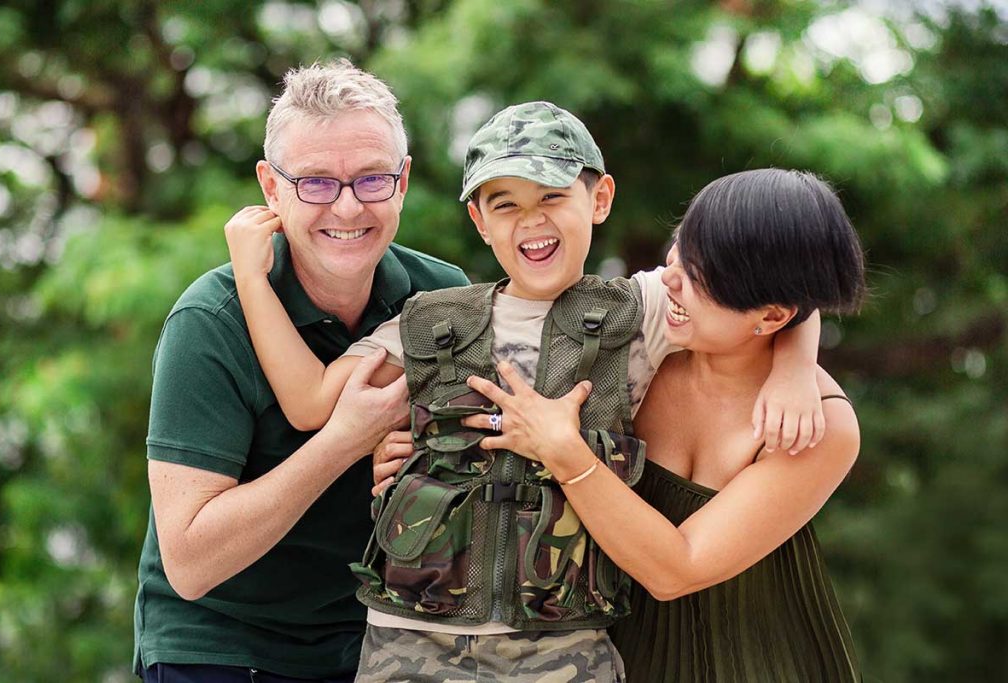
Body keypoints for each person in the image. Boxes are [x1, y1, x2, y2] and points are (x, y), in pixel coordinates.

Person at [225, 102, 827, 682]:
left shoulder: (642, 310)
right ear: (480, 222)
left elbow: (768, 282)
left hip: (562, 645)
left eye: (552, 197)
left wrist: (795, 364)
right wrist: (252, 279)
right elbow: (309, 403)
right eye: (505, 203)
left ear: (600, 199)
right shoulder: (432, 322)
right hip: (411, 643)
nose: (531, 220)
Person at [132, 60, 470, 683]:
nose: (346, 206)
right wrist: (345, 442)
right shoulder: (210, 322)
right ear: (271, 187)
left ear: (403, 182)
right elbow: (189, 563)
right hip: (224, 643)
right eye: (315, 182)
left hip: (378, 638)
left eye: (372, 179)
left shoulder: (442, 299)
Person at [462, 168, 866, 682]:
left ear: (769, 316)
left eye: (700, 278)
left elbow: (678, 569)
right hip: (605, 652)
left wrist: (565, 453)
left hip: (753, 658)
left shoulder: (817, 424)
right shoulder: (645, 347)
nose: (669, 277)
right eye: (680, 249)